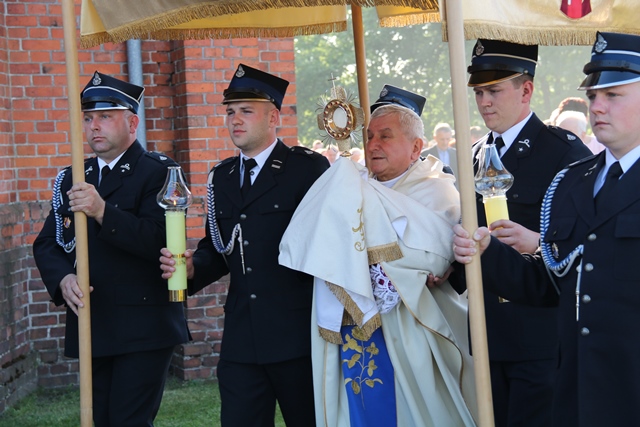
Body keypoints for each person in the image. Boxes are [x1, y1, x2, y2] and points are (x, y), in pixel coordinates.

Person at [451, 31, 640, 427]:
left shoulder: (563, 155)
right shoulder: (577, 180)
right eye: (592, 95)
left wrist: (535, 242)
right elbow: (550, 281)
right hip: (574, 376)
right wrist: (487, 251)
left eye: (613, 95)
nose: (597, 106)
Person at [279, 103, 477, 426]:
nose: (373, 145)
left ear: (416, 147)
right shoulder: (353, 188)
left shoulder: (436, 189)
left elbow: (436, 257)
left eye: (386, 136)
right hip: (355, 328)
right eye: (370, 136)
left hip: (415, 330)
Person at [159, 63, 329, 427]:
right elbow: (218, 248)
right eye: (230, 112)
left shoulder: (306, 169)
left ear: (273, 118)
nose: (235, 120)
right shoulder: (221, 177)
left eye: (246, 111)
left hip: (297, 334)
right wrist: (193, 267)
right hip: (242, 337)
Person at [33, 71, 189, 426]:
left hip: (143, 326)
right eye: (88, 118)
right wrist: (63, 278)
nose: (94, 127)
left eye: (105, 116)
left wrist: (103, 211)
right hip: (93, 321)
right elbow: (48, 243)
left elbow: (162, 242)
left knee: (128, 421)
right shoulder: (75, 176)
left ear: (132, 123)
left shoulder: (159, 172)